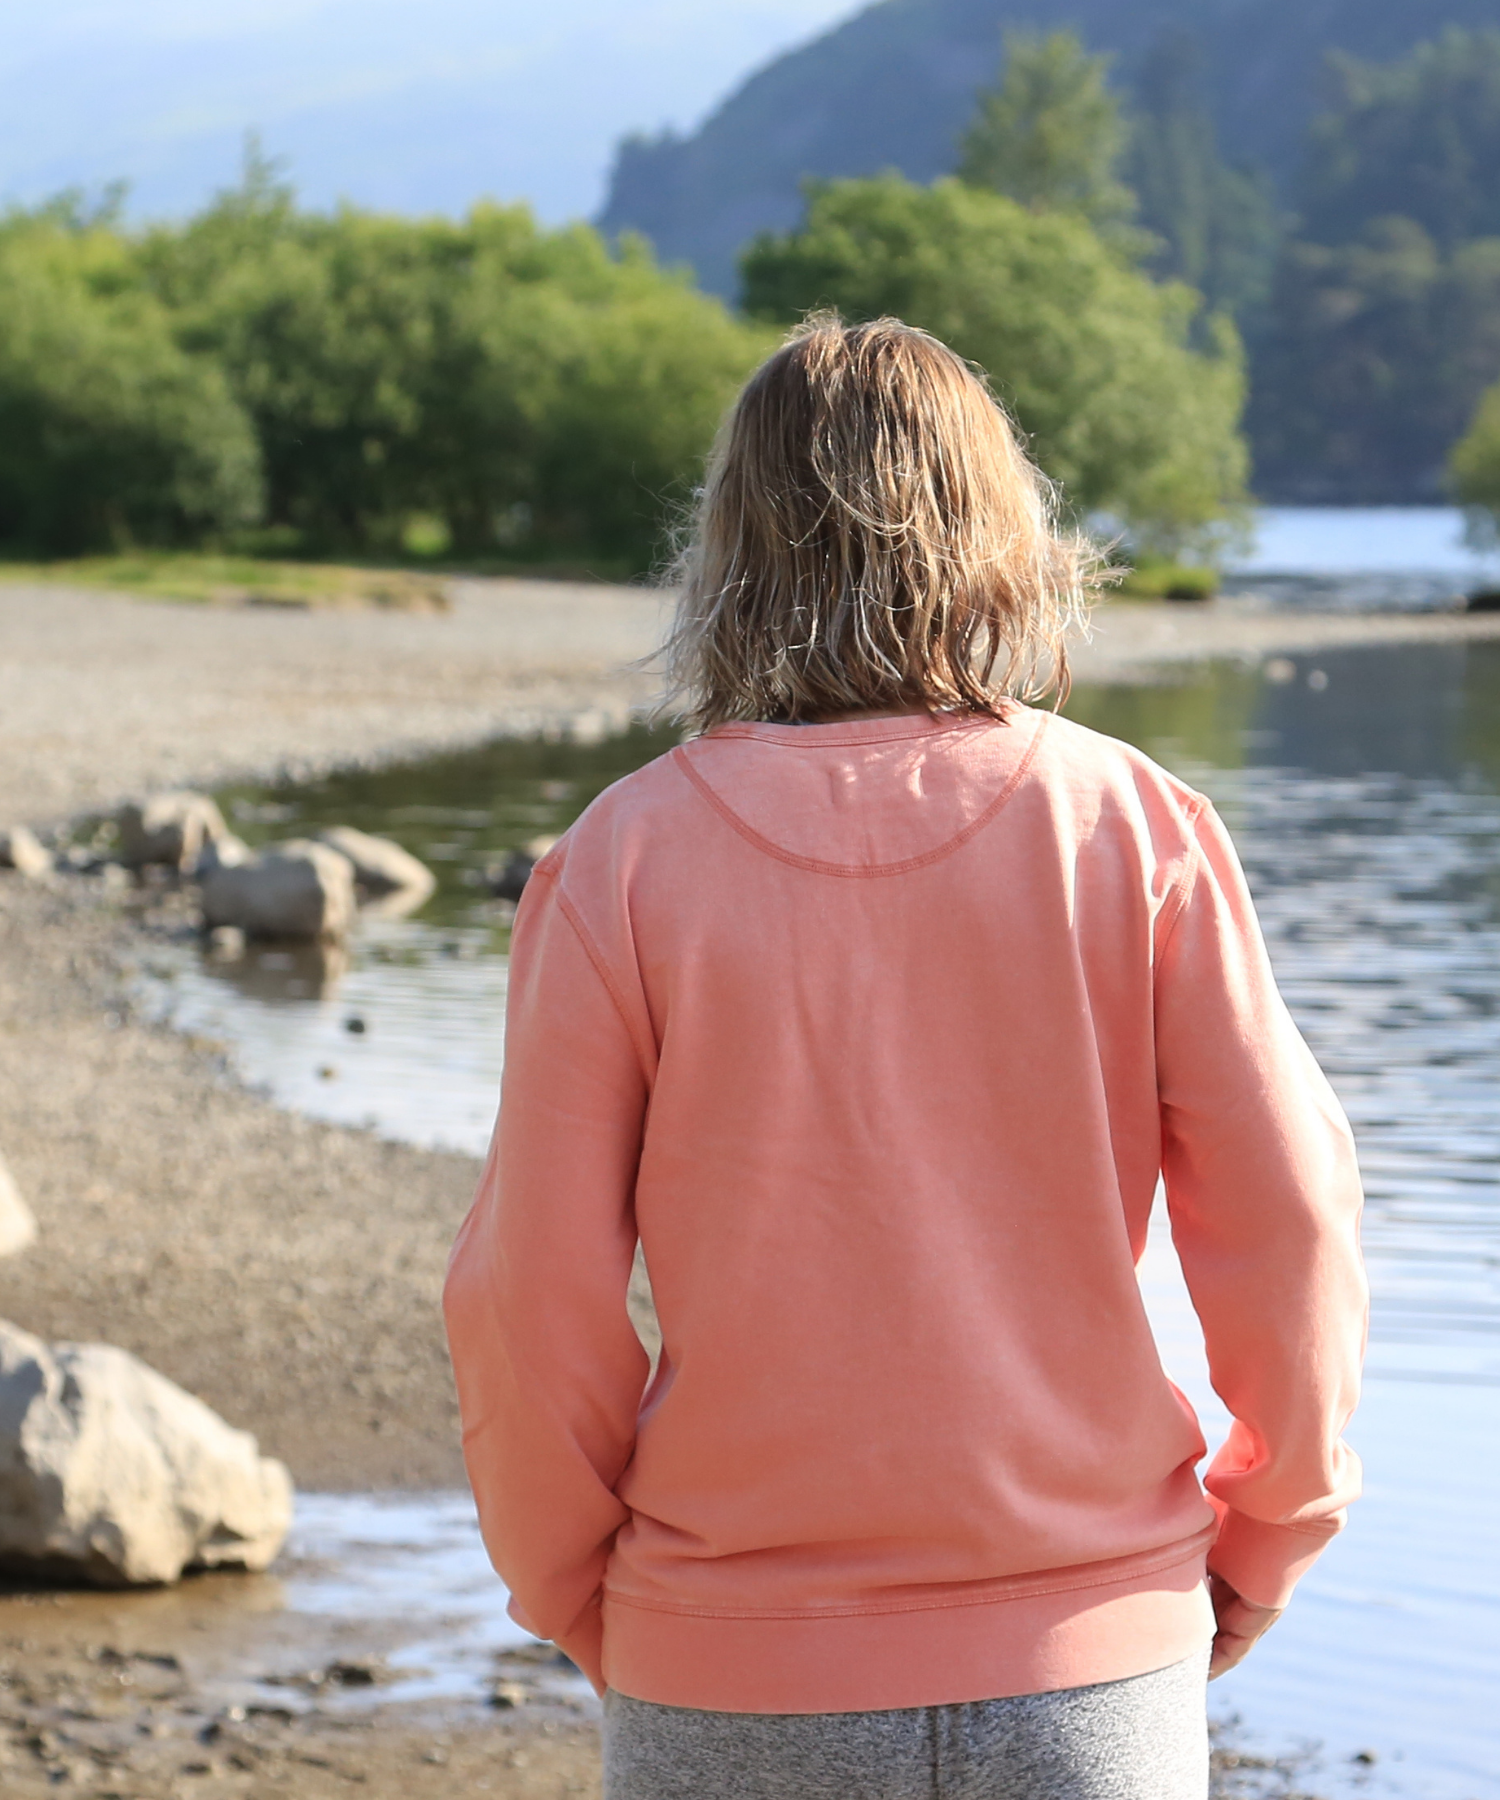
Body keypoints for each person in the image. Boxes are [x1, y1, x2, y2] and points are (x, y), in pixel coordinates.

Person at [444, 316, 1366, 1799]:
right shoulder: (1131, 827)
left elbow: (525, 1292)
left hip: (727, 1663)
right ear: (1000, 533)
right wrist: (1268, 1538)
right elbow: (1294, 1220)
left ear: (731, 546)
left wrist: (576, 1588)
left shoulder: (623, 860)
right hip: (1092, 1664)